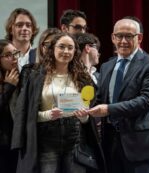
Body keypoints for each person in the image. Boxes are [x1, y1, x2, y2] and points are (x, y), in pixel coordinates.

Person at [78, 18, 149, 173]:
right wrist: (80, 108)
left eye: (129, 36)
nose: (123, 41)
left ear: (139, 38)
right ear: (113, 38)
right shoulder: (106, 66)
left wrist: (109, 109)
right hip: (109, 143)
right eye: (119, 36)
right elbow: (99, 99)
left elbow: (146, 101)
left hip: (140, 145)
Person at [11, 33, 106, 173]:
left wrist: (84, 116)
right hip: (46, 140)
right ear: (52, 49)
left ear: (75, 51)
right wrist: (48, 115)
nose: (66, 51)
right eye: (61, 47)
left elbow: (89, 113)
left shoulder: (83, 77)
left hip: (76, 139)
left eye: (70, 48)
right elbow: (26, 114)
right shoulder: (36, 76)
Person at [0, 39, 19, 173]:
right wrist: (8, 87)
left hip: (17, 143)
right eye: (8, 55)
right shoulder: (10, 83)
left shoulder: (21, 77)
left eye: (15, 53)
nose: (14, 58)